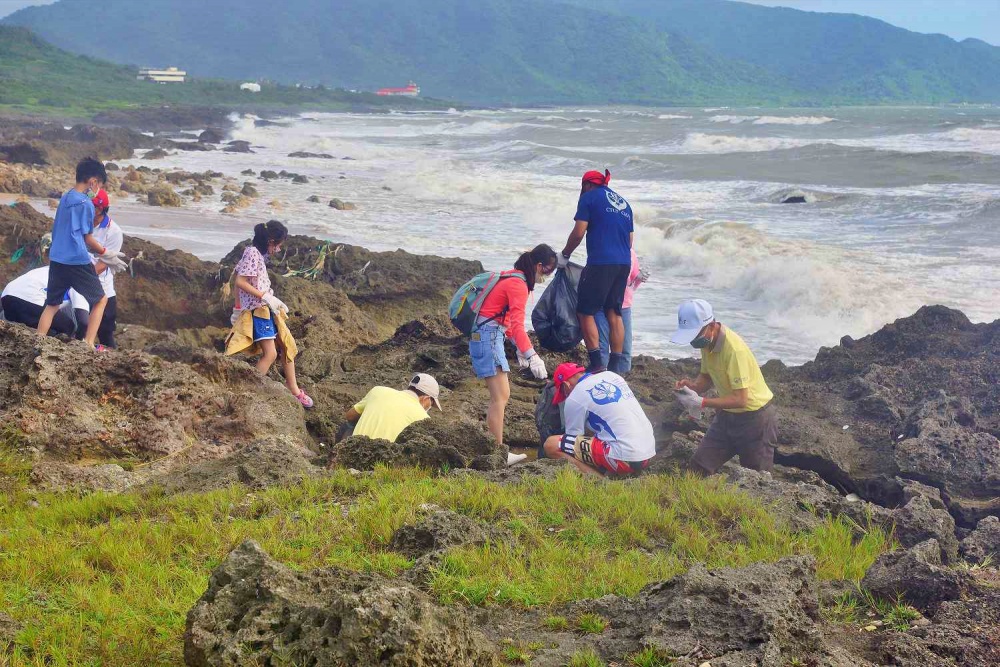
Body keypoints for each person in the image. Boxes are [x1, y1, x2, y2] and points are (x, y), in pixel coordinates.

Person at [470, 244, 557, 465]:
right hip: (489, 337)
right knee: (500, 397)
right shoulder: (519, 286)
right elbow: (517, 325)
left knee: (500, 396)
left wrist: (519, 348)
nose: (546, 277)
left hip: (488, 335)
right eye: (547, 271)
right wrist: (532, 355)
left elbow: (505, 321)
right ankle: (498, 454)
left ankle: (496, 450)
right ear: (538, 266)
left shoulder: (512, 277)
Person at [671, 299, 777, 475]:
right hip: (727, 417)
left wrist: (701, 402)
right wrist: (693, 387)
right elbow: (706, 376)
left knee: (757, 480)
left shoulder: (734, 351)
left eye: (695, 335)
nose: (694, 341)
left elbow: (741, 399)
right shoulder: (706, 342)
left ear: (712, 326)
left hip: (756, 420)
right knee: (698, 468)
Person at [37, 158, 128, 349]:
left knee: (52, 304)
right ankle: (88, 343)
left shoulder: (65, 197)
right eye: (99, 184)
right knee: (101, 299)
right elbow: (87, 239)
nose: (97, 189)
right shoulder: (86, 204)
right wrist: (107, 253)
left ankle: (38, 342)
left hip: (56, 258)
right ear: (93, 181)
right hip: (77, 260)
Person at [224, 220, 314, 408]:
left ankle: (294, 389)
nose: (279, 250)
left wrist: (271, 301)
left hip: (266, 308)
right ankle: (247, 393)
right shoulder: (252, 253)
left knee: (287, 344)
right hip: (258, 311)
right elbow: (240, 282)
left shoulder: (258, 255)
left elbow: (245, 282)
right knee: (271, 354)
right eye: (279, 245)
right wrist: (244, 307)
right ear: (271, 241)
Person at [558, 169, 634, 374]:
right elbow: (630, 241)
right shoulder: (624, 203)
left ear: (587, 185)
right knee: (614, 312)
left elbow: (578, 233)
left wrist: (564, 255)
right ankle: (616, 367)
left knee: (585, 311)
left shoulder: (589, 198)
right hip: (623, 263)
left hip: (600, 263)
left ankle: (597, 363)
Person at [542, 362, 656, 477]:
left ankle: (600, 482)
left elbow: (574, 440)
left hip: (624, 459)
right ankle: (617, 472)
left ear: (566, 385)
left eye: (563, 393)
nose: (565, 397)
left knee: (551, 444)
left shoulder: (574, 397)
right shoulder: (612, 376)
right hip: (648, 454)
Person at [340, 373, 442, 443]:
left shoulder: (378, 391)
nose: (430, 408)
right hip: (386, 467)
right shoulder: (423, 418)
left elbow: (350, 416)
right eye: (432, 404)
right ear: (426, 399)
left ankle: (337, 460)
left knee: (349, 424)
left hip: (354, 451)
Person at [594, 247, 647, 374]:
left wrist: (639, 277)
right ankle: (602, 378)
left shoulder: (631, 253)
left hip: (624, 305)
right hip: (602, 304)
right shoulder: (604, 249)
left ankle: (623, 379)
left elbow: (632, 284)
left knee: (625, 349)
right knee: (602, 346)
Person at [2, 266, 89, 337]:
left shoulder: (51, 268)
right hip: (32, 299)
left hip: (7, 296)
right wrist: (80, 342)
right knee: (68, 326)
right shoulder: (80, 280)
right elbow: (84, 321)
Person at [88, 189, 124, 348]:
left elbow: (104, 263)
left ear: (99, 209)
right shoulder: (82, 223)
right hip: (77, 283)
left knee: (105, 333)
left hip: (103, 287)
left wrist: (83, 278)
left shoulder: (114, 231)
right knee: (79, 326)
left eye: (91, 206)